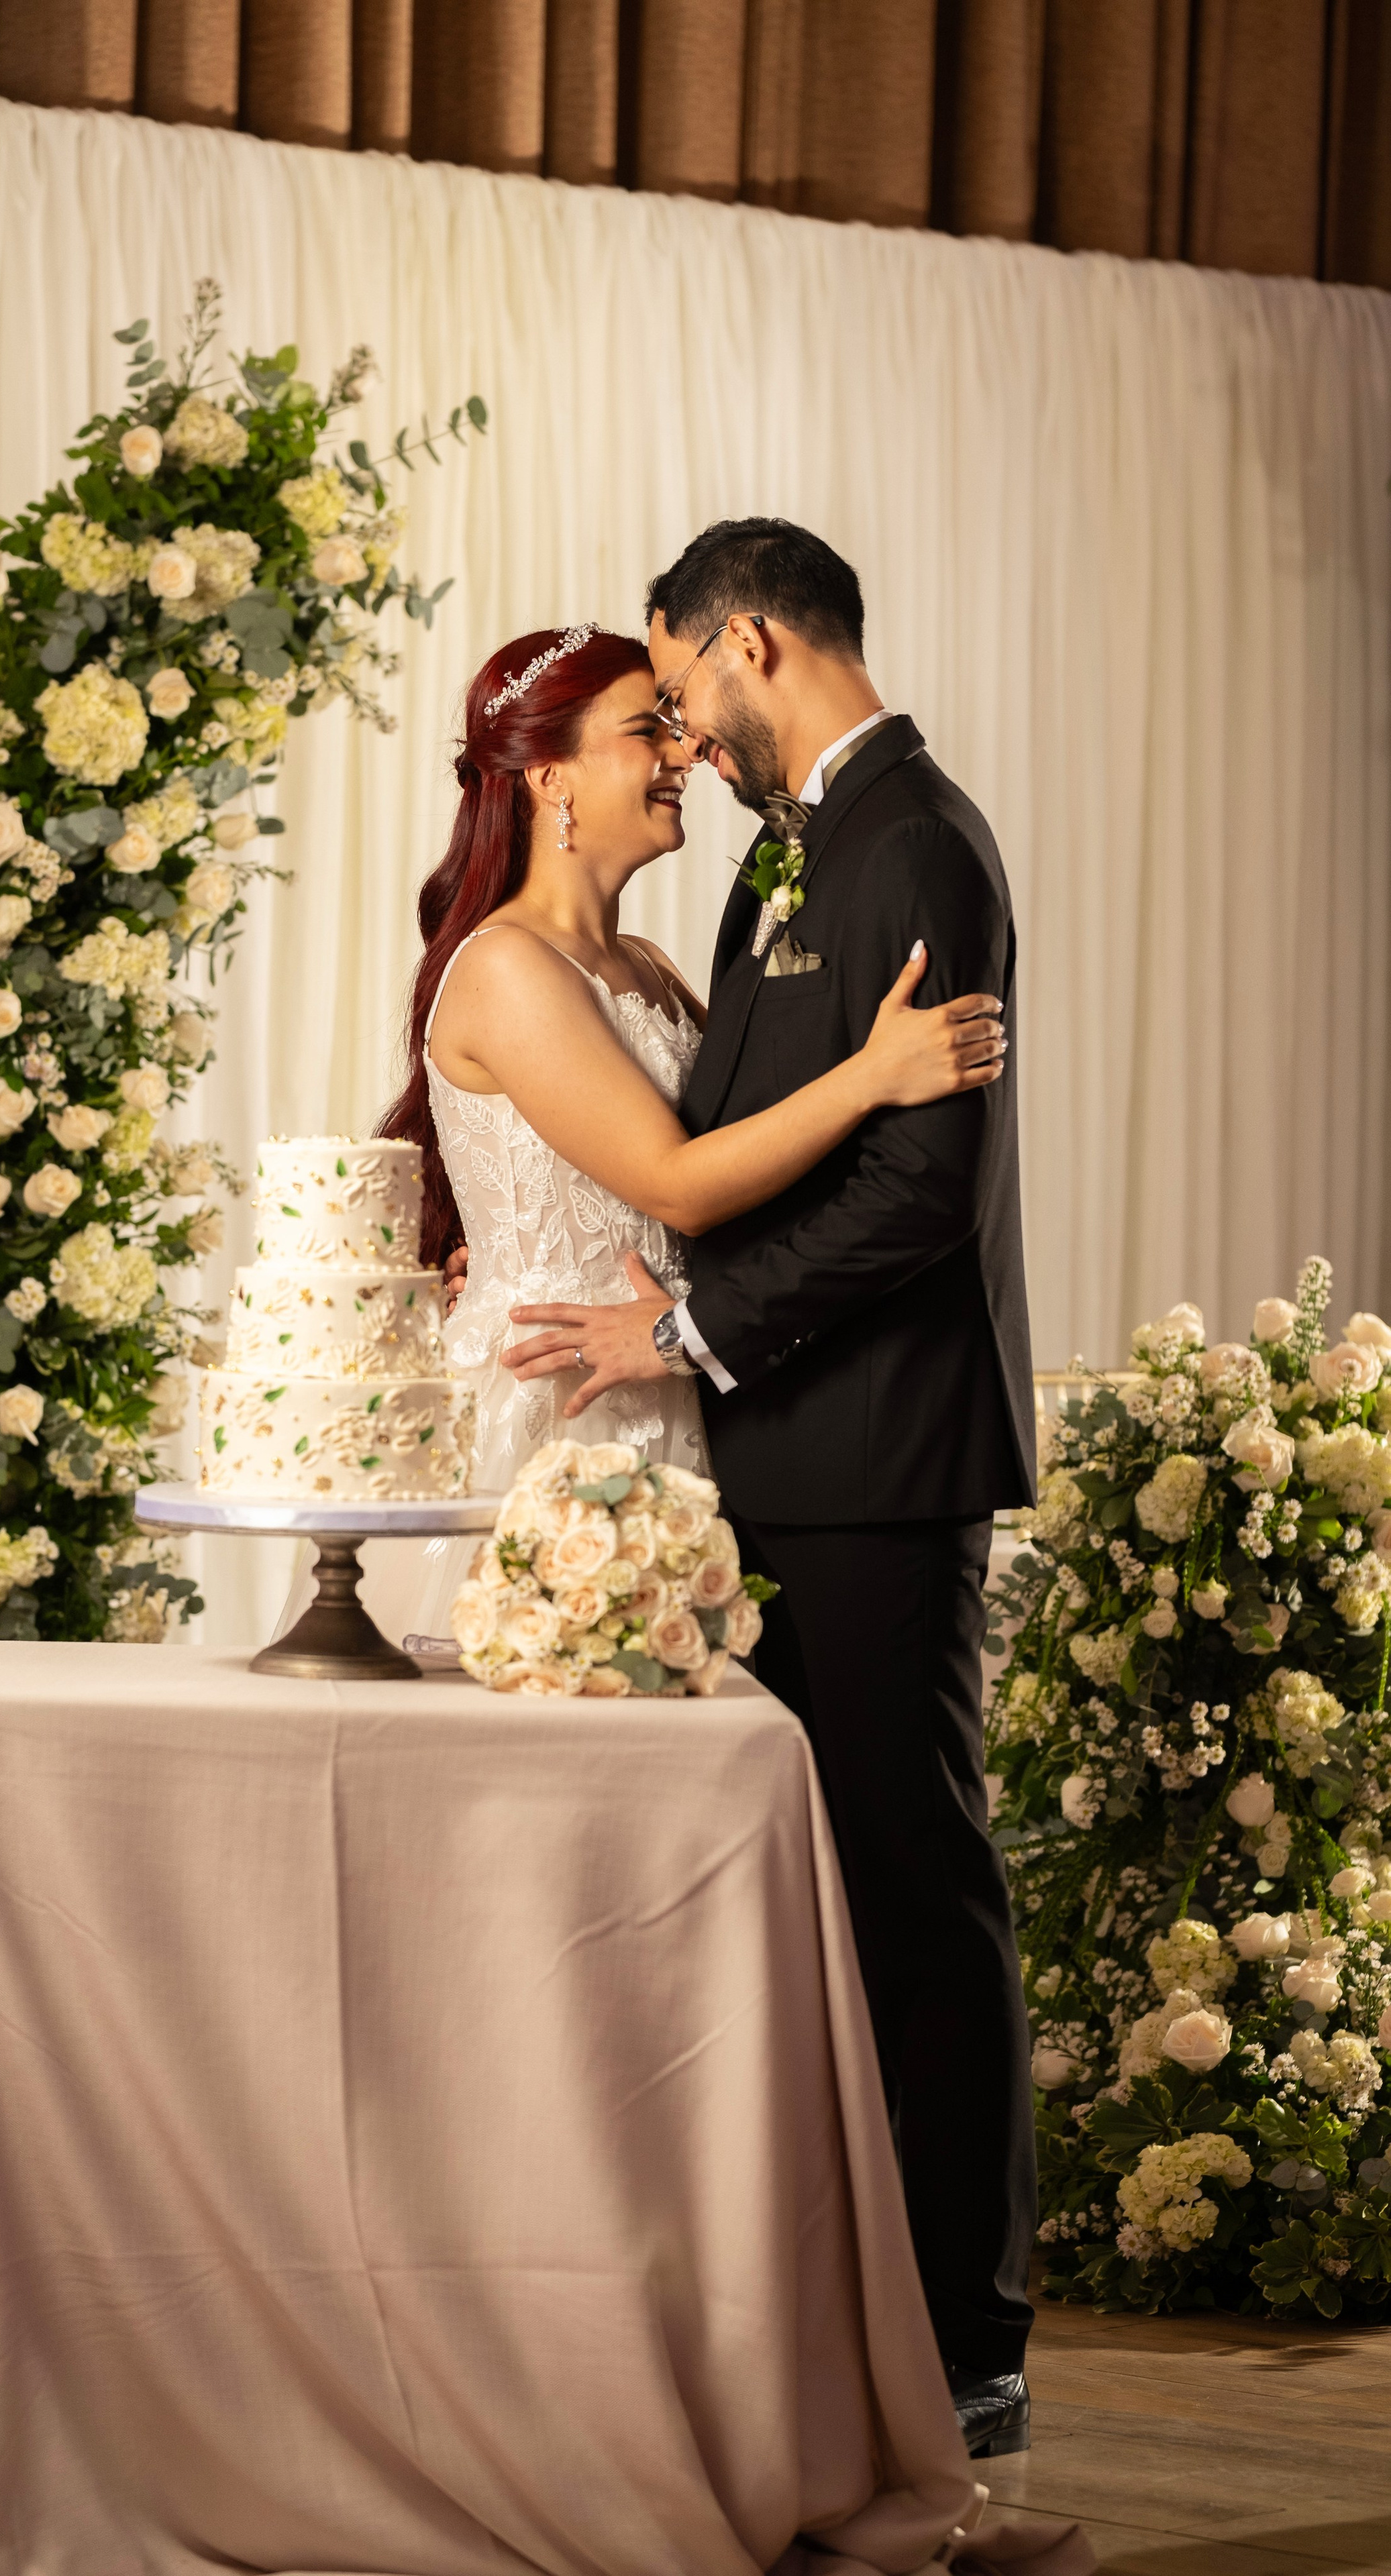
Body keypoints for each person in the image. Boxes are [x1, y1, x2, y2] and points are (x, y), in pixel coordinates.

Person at [501, 523, 1039, 2459]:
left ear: (744, 641)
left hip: (882, 1458)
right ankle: (832, 2312)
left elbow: (923, 1196)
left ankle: (973, 2343)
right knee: (801, 1908)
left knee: (914, 1885)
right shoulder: (782, 857)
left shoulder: (920, 839)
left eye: (680, 684)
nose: (682, 735)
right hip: (765, 1465)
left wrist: (687, 1330)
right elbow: (737, 1134)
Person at [367, 622, 1005, 1652]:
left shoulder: (648, 965)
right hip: (563, 1412)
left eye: (675, 722)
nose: (683, 756)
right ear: (548, 778)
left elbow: (749, 1145)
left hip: (676, 1389)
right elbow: (678, 1183)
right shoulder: (505, 968)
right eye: (645, 731)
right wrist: (874, 1075)